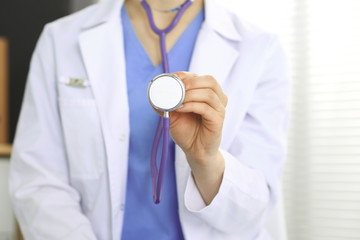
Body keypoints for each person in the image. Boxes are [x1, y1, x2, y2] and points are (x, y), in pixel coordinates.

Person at [9, 0, 289, 239]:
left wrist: (207, 160)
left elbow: (252, 211)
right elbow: (38, 182)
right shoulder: (61, 40)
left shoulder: (260, 49)